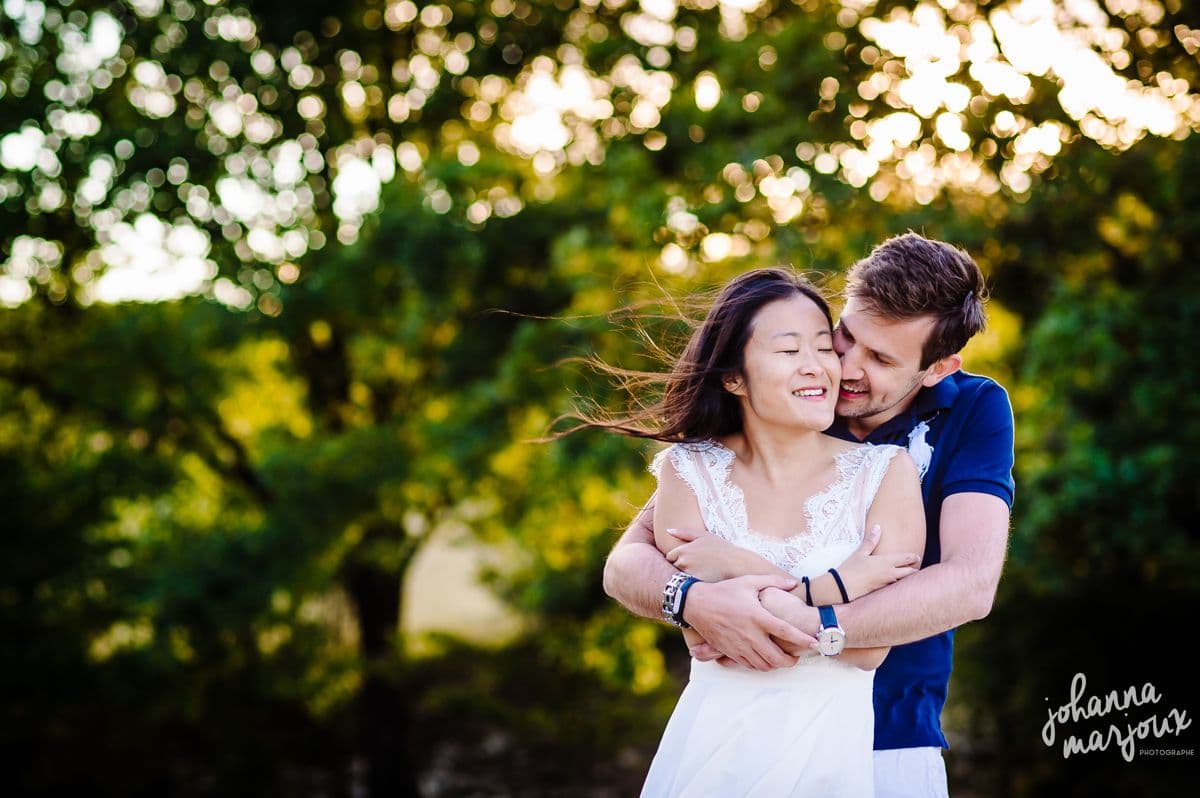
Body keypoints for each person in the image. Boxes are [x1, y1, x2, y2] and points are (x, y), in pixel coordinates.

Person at [604, 233, 1015, 798]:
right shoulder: (782, 409)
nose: (843, 366)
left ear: (938, 368)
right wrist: (692, 599)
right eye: (845, 336)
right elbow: (631, 559)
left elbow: (970, 584)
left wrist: (805, 621)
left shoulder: (969, 412)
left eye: (881, 359)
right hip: (736, 736)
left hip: (889, 736)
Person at [575, 267, 926, 795]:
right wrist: (843, 584)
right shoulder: (688, 471)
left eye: (822, 348)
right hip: (710, 754)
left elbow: (870, 648)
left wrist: (740, 569)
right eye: (789, 352)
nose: (817, 368)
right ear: (734, 377)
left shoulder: (887, 473)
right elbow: (701, 632)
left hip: (828, 757)